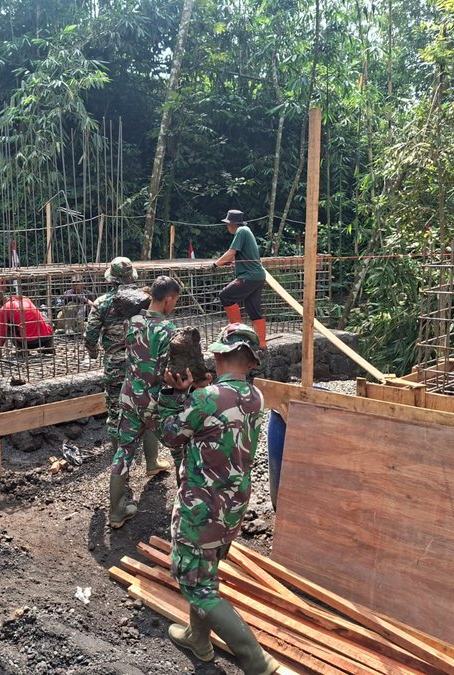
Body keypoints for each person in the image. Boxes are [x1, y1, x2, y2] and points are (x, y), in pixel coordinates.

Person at [157, 323, 280, 675]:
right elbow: (216, 412)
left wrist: (172, 392)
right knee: (205, 570)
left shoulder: (207, 398)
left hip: (202, 505)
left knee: (195, 584)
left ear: (220, 354)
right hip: (232, 506)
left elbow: (170, 434)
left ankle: (257, 661)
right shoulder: (254, 397)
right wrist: (196, 390)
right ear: (251, 361)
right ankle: (199, 638)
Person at [109, 276, 181, 528]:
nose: (174, 306)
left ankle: (117, 512)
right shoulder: (168, 331)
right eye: (175, 301)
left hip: (129, 397)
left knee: (124, 451)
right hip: (154, 402)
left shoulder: (133, 321)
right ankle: (185, 508)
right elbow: (167, 373)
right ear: (168, 299)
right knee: (180, 448)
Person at [84, 257, 161, 464]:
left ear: (112, 279)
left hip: (115, 365)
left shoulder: (102, 303)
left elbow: (90, 335)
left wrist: (93, 352)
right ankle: (152, 463)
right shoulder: (147, 299)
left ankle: (122, 466)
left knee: (116, 411)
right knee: (148, 409)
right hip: (142, 362)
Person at [210, 210, 267, 348]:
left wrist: (215, 264)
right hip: (258, 276)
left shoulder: (241, 231)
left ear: (232, 224)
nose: (227, 227)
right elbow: (239, 255)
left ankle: (237, 333)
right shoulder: (246, 230)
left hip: (249, 276)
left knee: (226, 295)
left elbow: (231, 252)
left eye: (227, 224)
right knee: (253, 309)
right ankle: (261, 342)